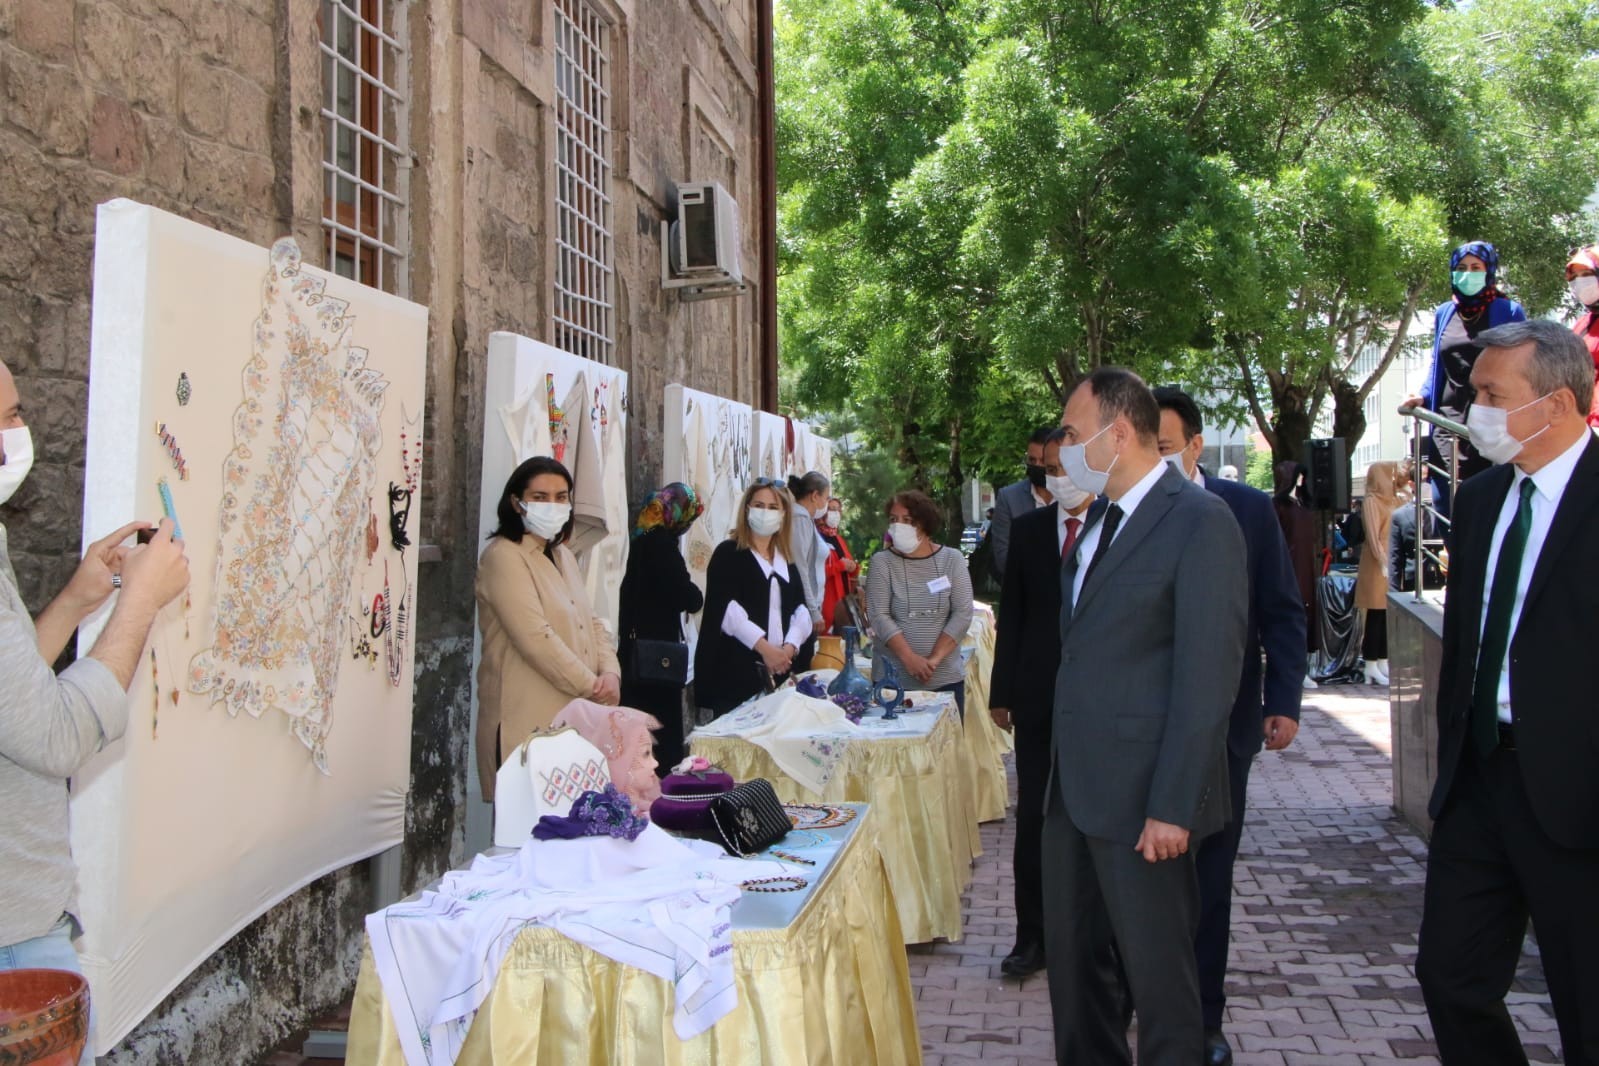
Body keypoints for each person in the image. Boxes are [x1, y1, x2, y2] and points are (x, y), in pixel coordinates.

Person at [1043, 367, 1248, 1066]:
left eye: (1071, 434)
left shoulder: (1198, 522)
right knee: (1075, 982)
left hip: (1146, 805)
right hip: (1073, 795)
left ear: (1118, 432)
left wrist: (1173, 806)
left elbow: (1205, 678)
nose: (1061, 449)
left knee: (1160, 987)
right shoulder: (1098, 517)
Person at [1415, 319, 1599, 1066]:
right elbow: (1461, 645)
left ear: (1554, 404)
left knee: (1583, 1002)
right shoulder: (1482, 498)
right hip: (1478, 783)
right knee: (1450, 977)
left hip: (1575, 792)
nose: (1474, 408)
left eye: (1492, 393)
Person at [0, 361, 192, 1064]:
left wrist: (82, 599)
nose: (24, 434)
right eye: (10, 417)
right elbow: (55, 736)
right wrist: (139, 605)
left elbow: (15, 705)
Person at [1154, 387, 1307, 1066]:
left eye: (1163, 448)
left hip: (1223, 729)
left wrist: (1284, 698)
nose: (1153, 463)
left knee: (1207, 879)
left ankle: (1202, 1020)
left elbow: (1282, 609)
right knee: (1134, 877)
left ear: (1194, 445)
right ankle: (1142, 996)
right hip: (1136, 731)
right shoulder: (1112, 516)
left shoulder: (1243, 510)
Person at [990, 428, 1099, 979]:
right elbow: (1012, 617)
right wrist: (1001, 692)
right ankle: (1031, 936)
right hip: (1037, 697)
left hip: (1101, 704)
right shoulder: (1031, 531)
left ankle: (1092, 939)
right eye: (1049, 471)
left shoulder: (1118, 526)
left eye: (1066, 468)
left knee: (1094, 821)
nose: (1059, 479)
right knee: (1033, 818)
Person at [475, 456, 621, 800]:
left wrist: (611, 673)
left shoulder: (564, 556)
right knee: (526, 834)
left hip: (573, 722)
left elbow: (592, 623)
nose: (553, 506)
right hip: (525, 722)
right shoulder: (504, 556)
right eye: (540, 497)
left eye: (561, 497)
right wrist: (592, 686)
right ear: (517, 502)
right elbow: (535, 638)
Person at [1404, 241, 1527, 514]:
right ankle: (1457, 555)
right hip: (1447, 420)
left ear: (1489, 271)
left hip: (1490, 422)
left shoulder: (1508, 312)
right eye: (1461, 268)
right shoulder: (1444, 312)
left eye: (1475, 268)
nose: (1467, 274)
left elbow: (1521, 364)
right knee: (1445, 504)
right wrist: (1423, 394)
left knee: (1486, 505)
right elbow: (1438, 362)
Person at [694, 480, 815, 715]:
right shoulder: (728, 554)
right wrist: (766, 650)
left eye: (773, 507)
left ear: (783, 515)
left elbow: (801, 612)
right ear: (747, 509)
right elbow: (727, 612)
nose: (765, 512)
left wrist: (787, 650)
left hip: (782, 676)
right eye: (759, 505)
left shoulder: (787, 562)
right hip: (736, 676)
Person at [618, 482, 705, 772]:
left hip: (634, 652)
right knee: (660, 739)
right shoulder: (661, 545)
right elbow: (688, 597)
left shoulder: (640, 538)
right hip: (657, 657)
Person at [865, 490, 974, 716]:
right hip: (891, 683)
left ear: (924, 524)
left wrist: (932, 660)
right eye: (893, 520)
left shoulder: (952, 559)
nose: (898, 526)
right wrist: (910, 659)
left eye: (907, 520)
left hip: (945, 678)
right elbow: (879, 615)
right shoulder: (881, 562)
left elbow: (962, 612)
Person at [989, 426, 1055, 583]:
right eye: (1032, 460)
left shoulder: (1073, 496)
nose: (1037, 465)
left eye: (1043, 461)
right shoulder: (1009, 498)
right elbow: (1003, 556)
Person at [1356, 461, 1400, 685]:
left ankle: (1382, 659)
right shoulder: (1372, 501)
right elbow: (1373, 535)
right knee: (1375, 614)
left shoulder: (1393, 499)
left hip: (1389, 561)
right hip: (1377, 564)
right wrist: (1384, 560)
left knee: (1385, 615)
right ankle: (1370, 663)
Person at [1273, 460, 1322, 662]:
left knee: (1307, 611)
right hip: (1290, 566)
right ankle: (1293, 663)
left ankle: (1304, 662)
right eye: (1298, 475)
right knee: (1294, 613)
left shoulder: (1303, 505)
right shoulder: (1278, 506)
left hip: (1306, 566)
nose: (1302, 479)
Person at [786, 471, 830, 629]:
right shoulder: (800, 519)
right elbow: (800, 566)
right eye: (826, 498)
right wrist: (812, 610)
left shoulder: (806, 520)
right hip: (801, 606)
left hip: (808, 604)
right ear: (815, 496)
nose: (826, 504)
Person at [1562, 244, 1599, 427]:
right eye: (1574, 277)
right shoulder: (1583, 323)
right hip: (1579, 424)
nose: (1580, 282)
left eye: (1586, 275)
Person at [817, 497, 859, 634]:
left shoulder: (838, 538)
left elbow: (850, 569)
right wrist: (839, 566)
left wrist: (853, 567)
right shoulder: (816, 537)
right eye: (831, 509)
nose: (835, 513)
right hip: (825, 602)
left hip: (843, 603)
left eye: (837, 510)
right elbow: (814, 572)